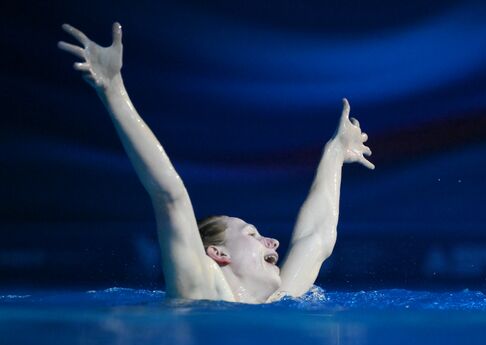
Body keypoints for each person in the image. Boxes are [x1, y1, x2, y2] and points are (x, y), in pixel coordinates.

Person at [58, 22, 374, 304]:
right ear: (218, 255)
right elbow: (170, 196)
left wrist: (335, 152)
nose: (273, 241)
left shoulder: (275, 299)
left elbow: (316, 239)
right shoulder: (199, 290)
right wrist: (114, 91)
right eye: (251, 234)